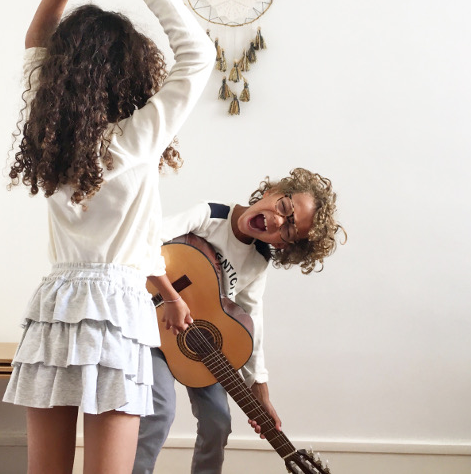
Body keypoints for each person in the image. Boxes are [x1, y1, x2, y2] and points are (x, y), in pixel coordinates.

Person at [2, 0, 215, 474]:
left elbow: (35, 43)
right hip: (117, 312)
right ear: (130, 73)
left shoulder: (49, 141)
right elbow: (198, 56)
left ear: (58, 76)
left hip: (56, 304)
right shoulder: (134, 139)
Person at [133, 168, 344, 474]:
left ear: (285, 245)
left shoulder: (258, 261)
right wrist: (171, 297)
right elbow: (147, 244)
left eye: (287, 230)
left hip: (196, 344)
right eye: (284, 207)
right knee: (160, 411)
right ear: (274, 191)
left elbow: (251, 317)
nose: (275, 221)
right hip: (154, 325)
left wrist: (259, 388)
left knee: (218, 421)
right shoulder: (210, 215)